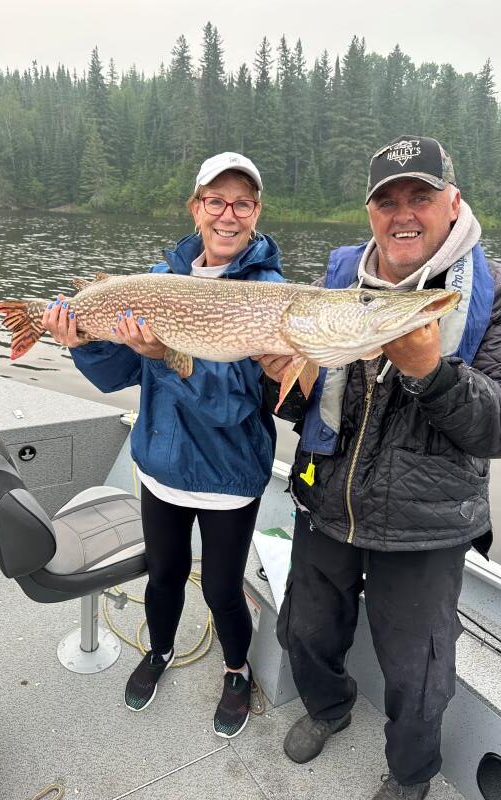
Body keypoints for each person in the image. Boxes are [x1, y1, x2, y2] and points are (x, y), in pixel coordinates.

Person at [259, 135, 501, 799]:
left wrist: (431, 372)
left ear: (452, 203)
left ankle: (412, 772)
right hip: (327, 498)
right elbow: (299, 406)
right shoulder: (337, 283)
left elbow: (495, 427)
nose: (404, 213)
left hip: (427, 523)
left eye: (420, 196)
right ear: (369, 212)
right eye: (387, 200)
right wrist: (286, 379)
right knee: (304, 629)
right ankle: (330, 706)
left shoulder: (492, 293)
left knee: (418, 670)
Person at [43, 152, 285, 739]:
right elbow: (113, 376)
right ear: (196, 208)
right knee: (164, 574)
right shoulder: (157, 278)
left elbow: (234, 405)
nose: (228, 215)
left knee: (225, 588)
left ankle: (235, 670)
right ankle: (158, 653)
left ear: (256, 213)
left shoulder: (269, 293)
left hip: (228, 478)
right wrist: (82, 340)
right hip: (160, 468)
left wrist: (168, 360)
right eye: (216, 201)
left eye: (242, 203)